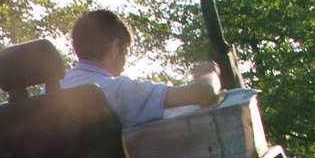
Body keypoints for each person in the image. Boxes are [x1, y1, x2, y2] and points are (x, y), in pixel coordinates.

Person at [61, 9, 213, 128]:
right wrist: (210, 73)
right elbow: (204, 92)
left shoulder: (54, 86)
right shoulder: (119, 90)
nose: (124, 63)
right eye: (126, 52)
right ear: (115, 47)